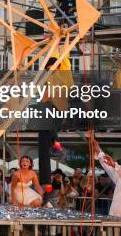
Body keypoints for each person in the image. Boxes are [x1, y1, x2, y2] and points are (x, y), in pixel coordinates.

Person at [38, 57, 70, 197]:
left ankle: (56, 143)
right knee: (43, 143)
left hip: (55, 110)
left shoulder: (60, 76)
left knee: (44, 143)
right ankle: (45, 181)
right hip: (51, 112)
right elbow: (45, 97)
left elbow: (49, 96)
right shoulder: (50, 77)